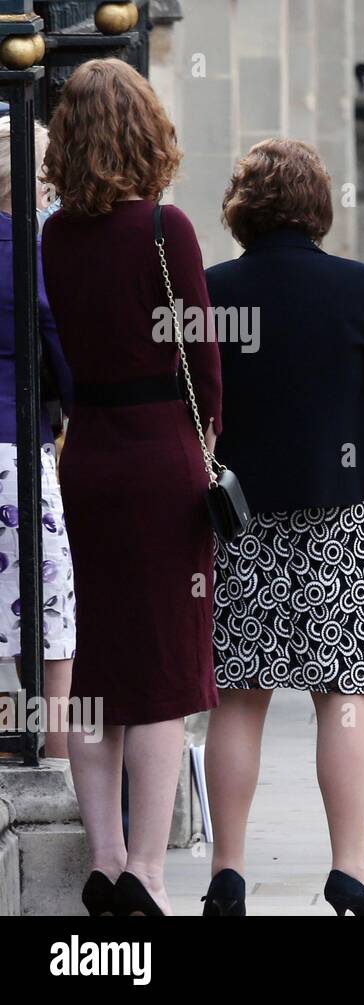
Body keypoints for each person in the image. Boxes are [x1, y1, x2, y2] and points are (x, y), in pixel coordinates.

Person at [200, 139, 364, 917]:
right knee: (343, 695)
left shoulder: (213, 290)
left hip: (243, 518)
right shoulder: (358, 286)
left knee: (237, 695)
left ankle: (227, 871)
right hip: (341, 516)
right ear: (320, 206)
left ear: (241, 208)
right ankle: (350, 869)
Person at [40, 59, 222, 916]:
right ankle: (149, 869)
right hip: (161, 457)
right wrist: (207, 434)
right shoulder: (165, 228)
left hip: (86, 460)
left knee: (96, 670)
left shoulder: (50, 237)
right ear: (147, 129)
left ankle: (104, 861)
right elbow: (205, 358)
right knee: (164, 676)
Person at [0, 117, 76, 761]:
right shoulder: (30, 247)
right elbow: (55, 338)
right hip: (15, 450)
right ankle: (49, 756)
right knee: (46, 612)